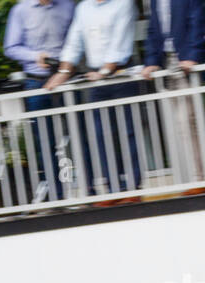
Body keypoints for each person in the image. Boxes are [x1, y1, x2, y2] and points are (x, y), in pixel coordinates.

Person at [44, 0, 142, 203]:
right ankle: (113, 189)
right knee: (100, 135)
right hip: (95, 79)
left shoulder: (123, 4)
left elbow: (120, 44)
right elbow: (74, 42)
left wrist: (105, 71)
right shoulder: (84, 8)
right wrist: (62, 74)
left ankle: (132, 188)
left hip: (121, 75)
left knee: (127, 132)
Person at [3, 0, 77, 200]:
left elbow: (77, 38)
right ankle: (56, 196)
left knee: (80, 134)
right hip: (37, 83)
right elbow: (10, 47)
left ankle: (89, 190)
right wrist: (35, 56)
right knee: (44, 140)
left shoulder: (68, 5)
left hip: (67, 79)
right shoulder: (20, 10)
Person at [143, 0, 205, 191]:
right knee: (180, 125)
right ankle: (194, 177)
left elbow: (197, 24)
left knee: (187, 121)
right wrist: (151, 61)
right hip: (168, 65)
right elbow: (153, 32)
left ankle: (201, 178)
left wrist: (192, 56)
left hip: (186, 65)